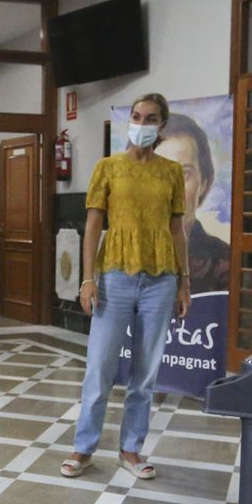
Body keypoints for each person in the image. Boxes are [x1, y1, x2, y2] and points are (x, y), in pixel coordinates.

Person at [61, 93, 190, 481]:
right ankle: (83, 448)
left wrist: (184, 281)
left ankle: (131, 448)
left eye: (150, 118)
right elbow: (92, 226)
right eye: (136, 116)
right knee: (100, 367)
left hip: (161, 278)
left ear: (161, 126)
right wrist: (87, 278)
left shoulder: (171, 172)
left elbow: (176, 230)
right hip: (115, 274)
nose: (142, 123)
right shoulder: (108, 168)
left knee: (145, 372)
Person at [156, 113, 231, 294]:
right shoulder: (124, 255)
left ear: (204, 182)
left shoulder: (222, 263)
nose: (171, 190)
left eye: (184, 175)